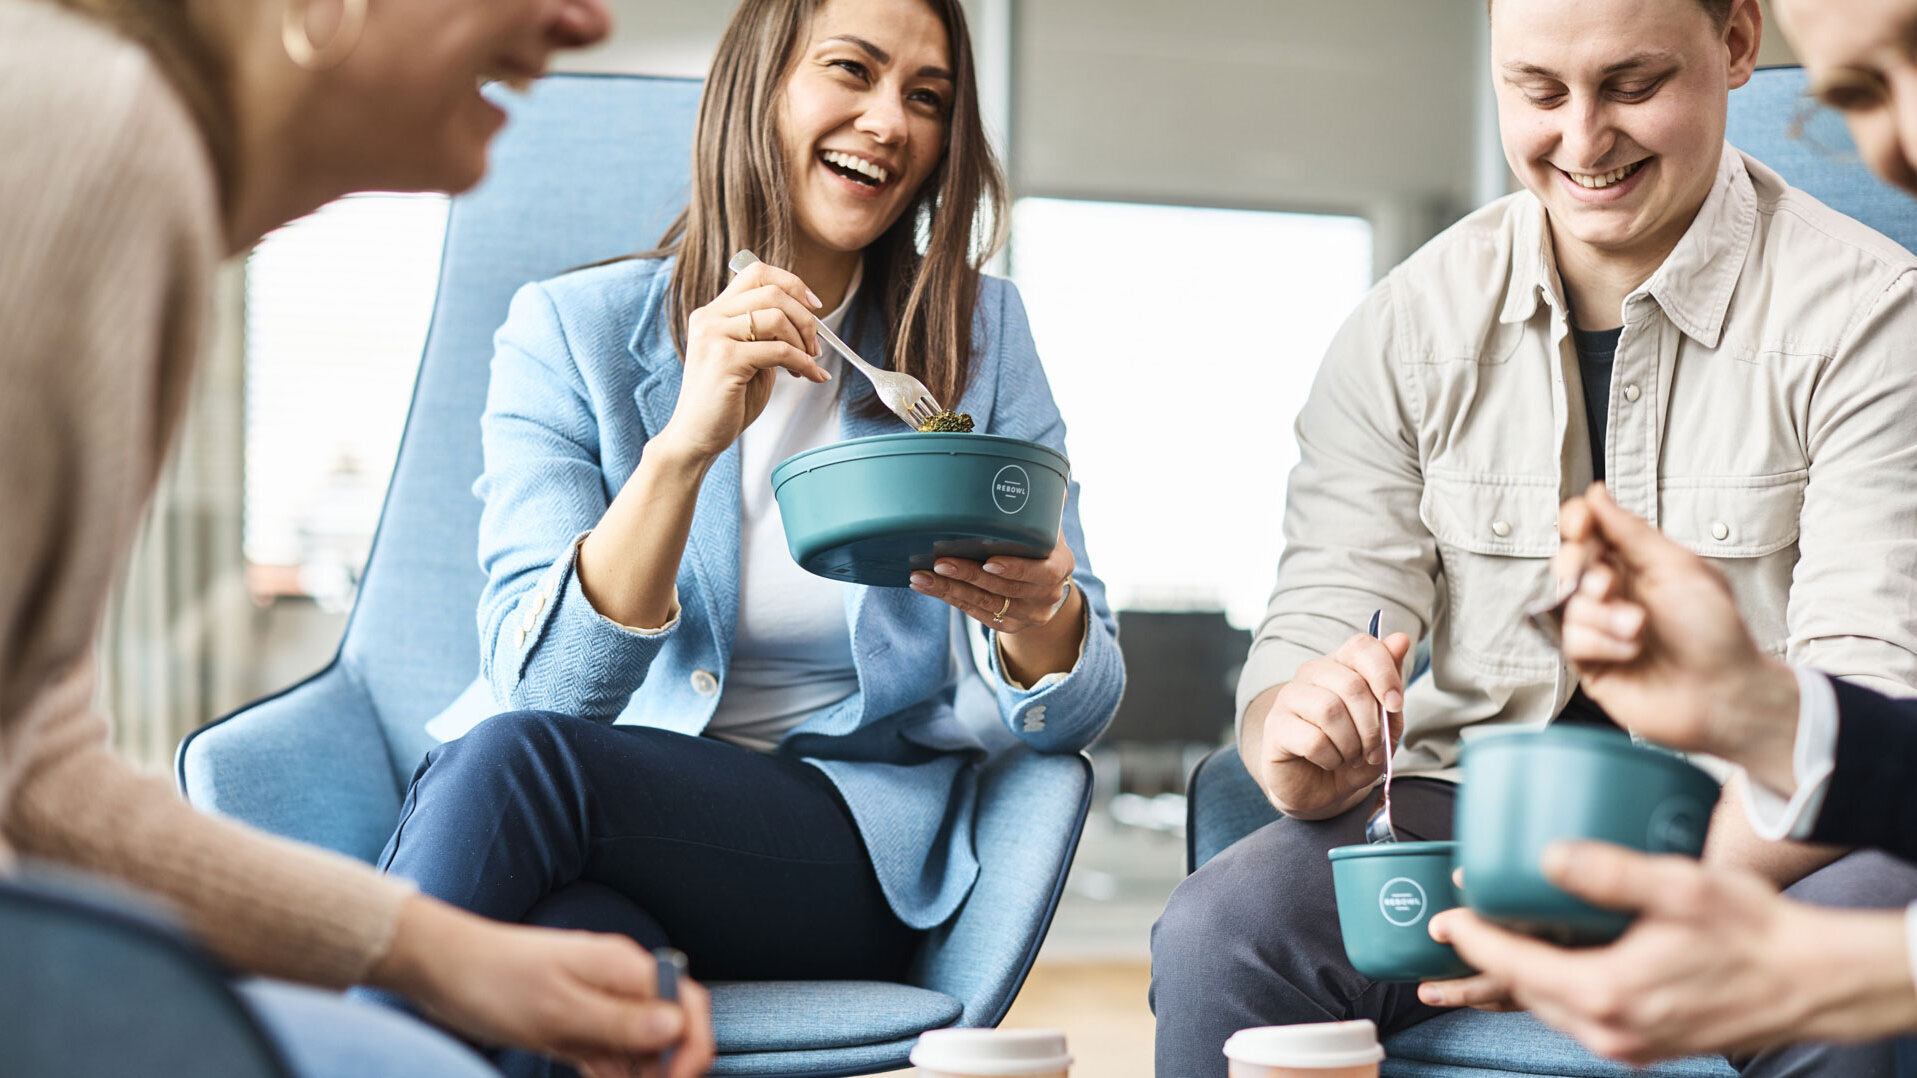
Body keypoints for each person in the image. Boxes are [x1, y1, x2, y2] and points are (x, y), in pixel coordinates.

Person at [1150, 0, 1917, 1074]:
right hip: (1469, 829)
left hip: (1759, 836)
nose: (1582, 140)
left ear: (1738, 44)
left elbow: (1869, 691)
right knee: (1223, 928)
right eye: (1539, 92)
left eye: (1634, 85)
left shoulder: (1876, 318)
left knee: (1864, 950)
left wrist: (1665, 904)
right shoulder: (1402, 329)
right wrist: (1301, 730)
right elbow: (1318, 618)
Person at [362, 0, 1121, 1072]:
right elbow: (546, 687)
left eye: (927, 98)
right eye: (850, 71)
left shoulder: (978, 339)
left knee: (512, 767)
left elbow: (1082, 703)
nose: (889, 121)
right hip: (587, 838)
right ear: (757, 88)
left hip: (831, 849)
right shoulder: (569, 334)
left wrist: (1042, 615)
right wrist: (682, 448)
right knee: (567, 961)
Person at [0, 0, 718, 1074]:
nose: (584, 20)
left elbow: (36, 772)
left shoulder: (134, 159)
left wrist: (448, 952)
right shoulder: (99, 144)